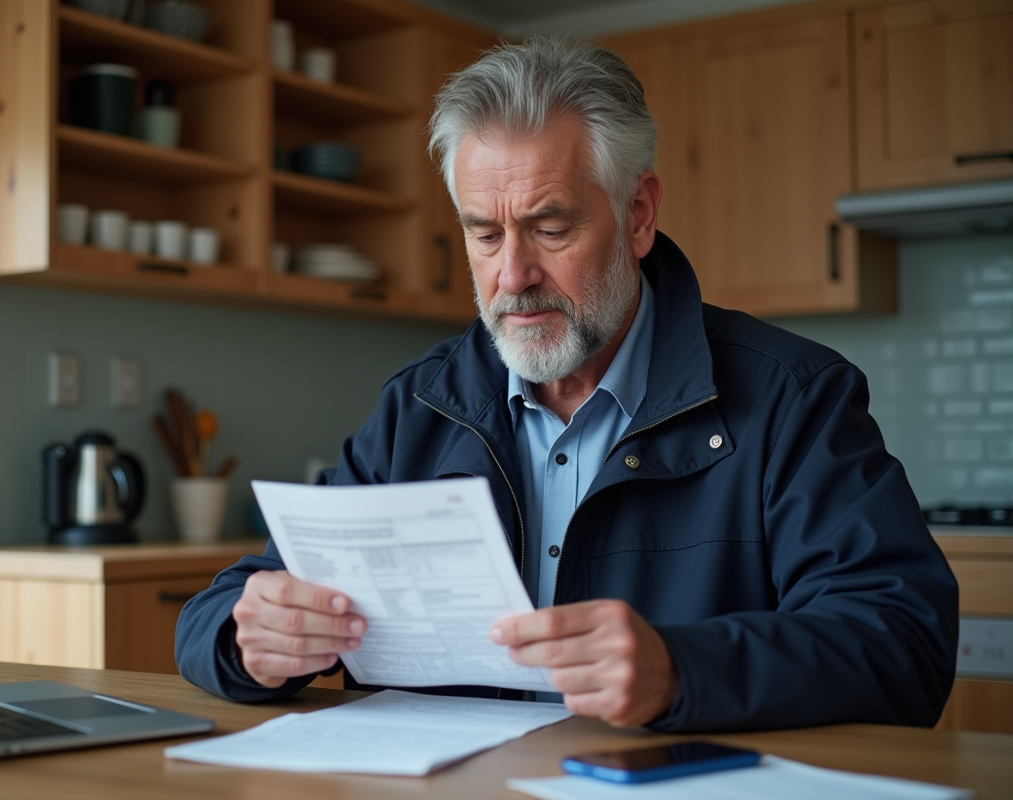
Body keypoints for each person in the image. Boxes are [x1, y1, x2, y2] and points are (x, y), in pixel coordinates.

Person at [176, 38, 958, 732]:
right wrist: (247, 640)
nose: (513, 276)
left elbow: (902, 638)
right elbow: (229, 603)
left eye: (551, 229)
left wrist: (682, 671)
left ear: (639, 214)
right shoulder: (419, 405)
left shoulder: (794, 398)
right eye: (485, 234)